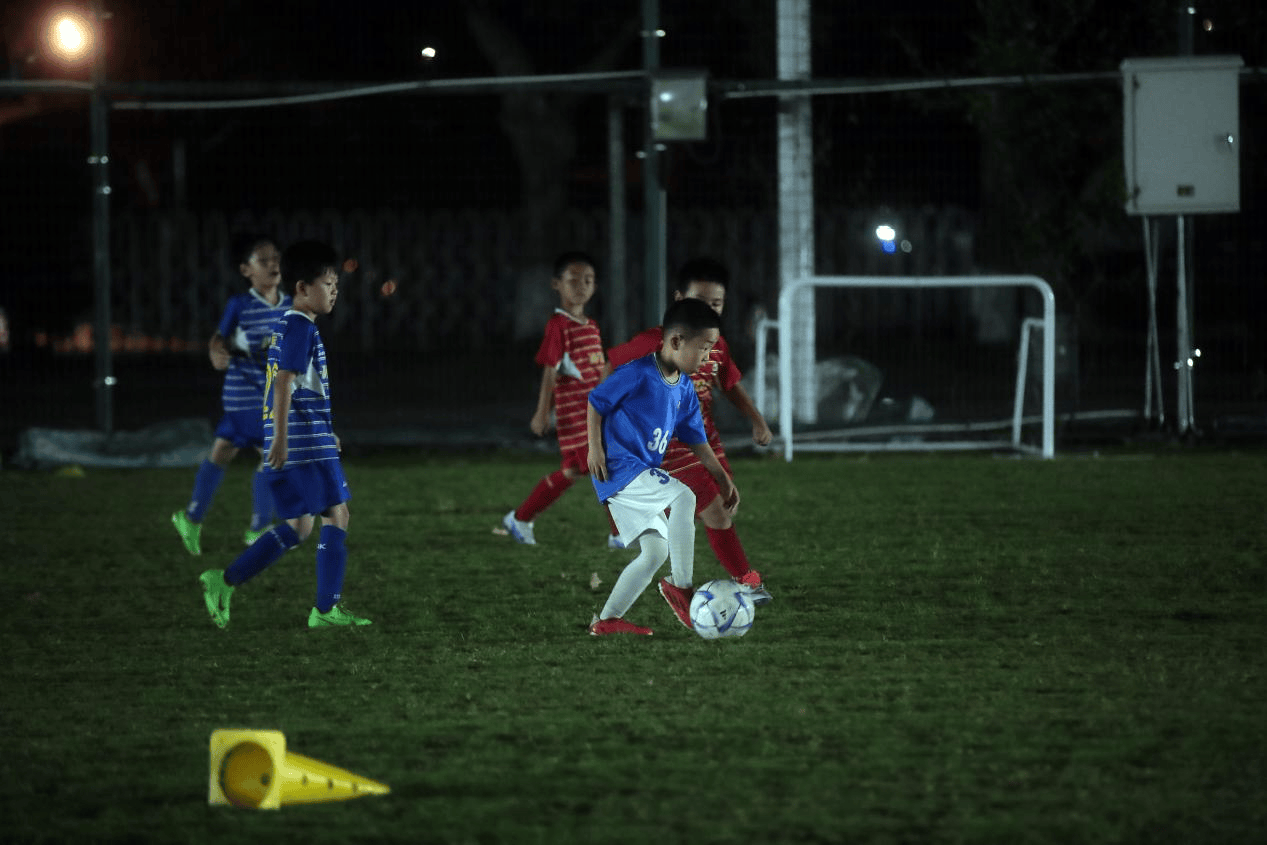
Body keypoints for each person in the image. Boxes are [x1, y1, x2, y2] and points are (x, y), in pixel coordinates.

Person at [199, 240, 371, 629]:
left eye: (336, 286)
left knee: (300, 526)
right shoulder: (298, 327)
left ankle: (225, 581)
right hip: (301, 446)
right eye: (328, 284)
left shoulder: (294, 325)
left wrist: (326, 432)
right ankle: (325, 611)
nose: (334, 292)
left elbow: (300, 389)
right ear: (301, 288)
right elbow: (282, 383)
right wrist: (279, 437)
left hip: (308, 441)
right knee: (336, 515)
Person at [605, 257, 773, 604]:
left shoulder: (717, 344)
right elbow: (612, 365)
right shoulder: (654, 341)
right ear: (680, 299)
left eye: (716, 303)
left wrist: (756, 419)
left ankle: (656, 541)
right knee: (712, 508)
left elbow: (730, 385)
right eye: (700, 302)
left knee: (721, 508)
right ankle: (737, 582)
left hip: (704, 438)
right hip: (667, 442)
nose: (709, 309)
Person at [586, 298, 738, 636]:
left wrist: (721, 478)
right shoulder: (638, 373)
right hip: (619, 467)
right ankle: (681, 588)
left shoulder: (683, 388)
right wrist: (594, 449)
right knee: (683, 497)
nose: (708, 356)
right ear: (675, 342)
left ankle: (607, 621)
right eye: (704, 348)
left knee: (655, 551)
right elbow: (596, 402)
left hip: (633, 474)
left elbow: (697, 439)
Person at [171, 233, 288, 555]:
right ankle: (259, 527)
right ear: (246, 270)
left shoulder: (291, 306)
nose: (272, 264)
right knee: (274, 452)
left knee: (222, 453)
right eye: (263, 260)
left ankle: (191, 517)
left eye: (275, 258)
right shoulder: (241, 305)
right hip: (243, 395)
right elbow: (219, 340)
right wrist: (216, 353)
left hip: (270, 396)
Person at [502, 251, 617, 546]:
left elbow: (595, 371)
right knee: (604, 466)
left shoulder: (590, 326)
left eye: (588, 280)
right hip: (574, 414)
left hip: (593, 412)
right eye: (573, 280)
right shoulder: (558, 326)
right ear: (557, 284)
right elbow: (550, 371)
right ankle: (620, 534)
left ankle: (520, 518)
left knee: (571, 471)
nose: (582, 286)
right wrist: (543, 411)